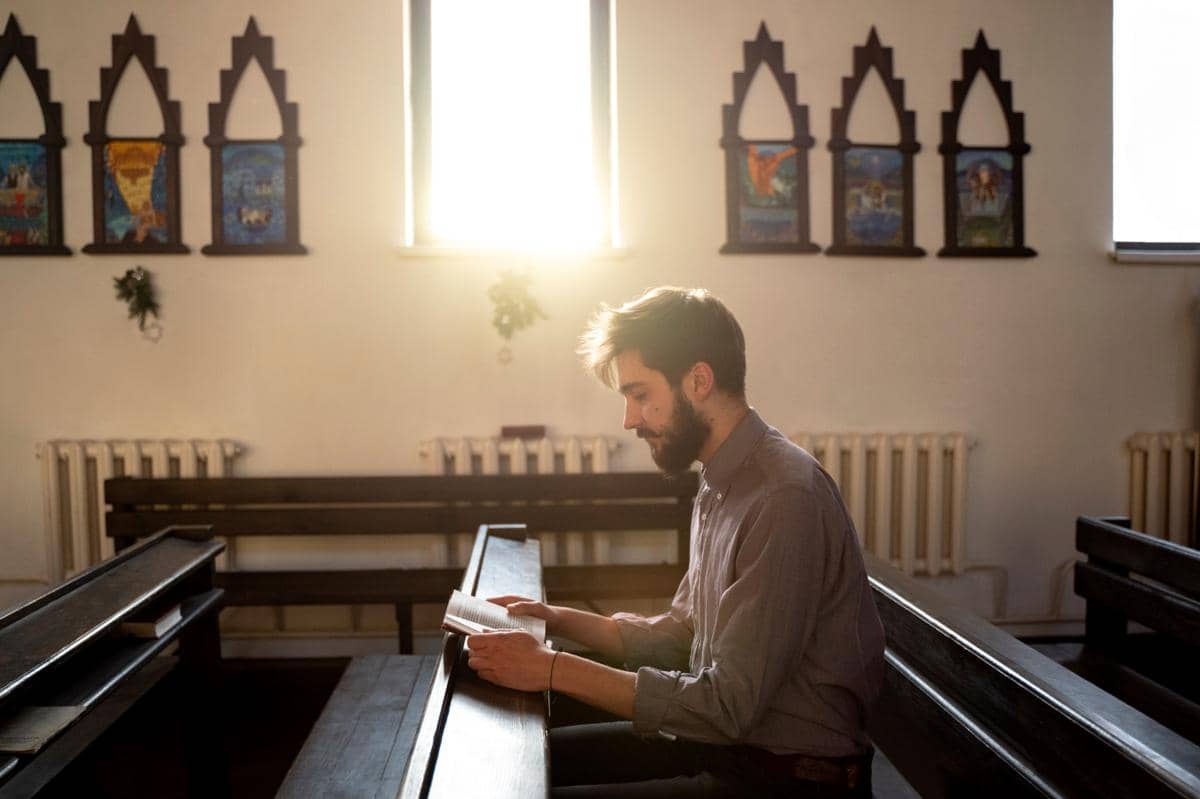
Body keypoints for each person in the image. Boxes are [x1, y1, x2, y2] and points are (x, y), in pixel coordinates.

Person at [466, 286, 886, 797]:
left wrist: (551, 667)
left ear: (699, 380)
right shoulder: (720, 479)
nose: (628, 420)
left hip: (787, 777)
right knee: (513, 772)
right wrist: (558, 620)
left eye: (640, 395)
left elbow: (728, 707)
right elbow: (685, 636)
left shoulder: (784, 496)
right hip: (725, 746)